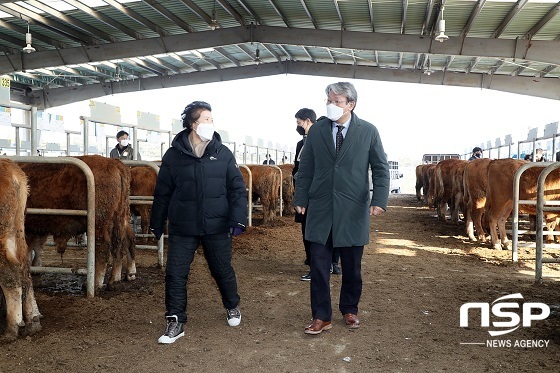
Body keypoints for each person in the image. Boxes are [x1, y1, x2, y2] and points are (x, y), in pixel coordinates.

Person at [294, 82, 389, 335]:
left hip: (352, 208)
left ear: (351, 104)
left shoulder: (368, 131)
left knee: (352, 266)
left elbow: (380, 167)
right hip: (321, 207)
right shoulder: (316, 132)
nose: (331, 105)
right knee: (318, 266)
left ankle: (350, 309)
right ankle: (321, 316)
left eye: (337, 101)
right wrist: (300, 197)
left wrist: (379, 199)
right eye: (329, 100)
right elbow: (306, 170)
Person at [149, 101, 248, 344]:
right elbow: (163, 192)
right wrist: (157, 221)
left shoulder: (222, 153)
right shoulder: (174, 155)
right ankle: (175, 321)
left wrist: (238, 218)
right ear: (194, 124)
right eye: (207, 119)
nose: (211, 124)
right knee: (175, 273)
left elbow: (237, 189)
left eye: (212, 120)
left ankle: (232, 305)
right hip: (183, 225)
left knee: (221, 270)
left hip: (216, 225)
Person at [293, 109, 340, 282]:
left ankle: (327, 264)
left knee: (320, 231)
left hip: (319, 194)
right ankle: (324, 264)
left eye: (299, 123)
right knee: (314, 231)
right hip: (310, 193)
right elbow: (299, 170)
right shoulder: (302, 144)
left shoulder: (327, 144)